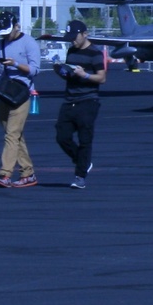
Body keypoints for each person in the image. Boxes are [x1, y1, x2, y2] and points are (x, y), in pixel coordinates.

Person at [0, 12, 40, 189]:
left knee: (12, 134)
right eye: (2, 33)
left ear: (17, 26)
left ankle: (5, 174)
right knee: (14, 135)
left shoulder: (29, 43)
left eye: (8, 32)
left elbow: (34, 70)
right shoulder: (0, 44)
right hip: (5, 92)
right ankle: (27, 173)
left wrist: (15, 64)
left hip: (22, 92)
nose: (5, 35)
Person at [54, 19, 107, 187]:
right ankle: (82, 162)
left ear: (85, 34)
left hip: (88, 100)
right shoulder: (71, 50)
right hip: (70, 100)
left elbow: (102, 78)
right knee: (62, 137)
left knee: (85, 140)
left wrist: (85, 75)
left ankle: (80, 177)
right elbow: (70, 75)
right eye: (70, 37)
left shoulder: (95, 54)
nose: (72, 40)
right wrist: (61, 71)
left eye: (75, 37)